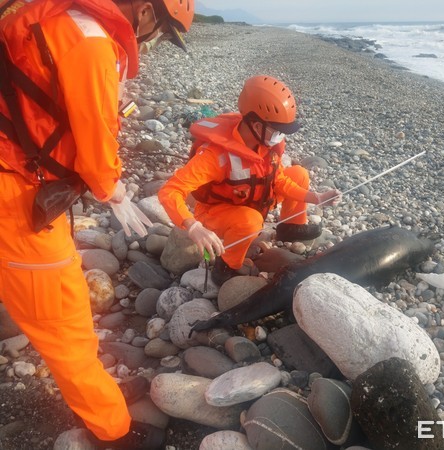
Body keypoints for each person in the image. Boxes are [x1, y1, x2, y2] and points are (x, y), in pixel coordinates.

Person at [0, 0, 193, 448]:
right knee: (62, 318)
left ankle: (97, 392)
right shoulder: (89, 42)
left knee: (63, 302)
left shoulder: (70, 24)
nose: (156, 40)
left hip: (25, 183)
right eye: (163, 30)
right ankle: (111, 429)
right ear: (145, 10)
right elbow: (94, 146)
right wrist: (114, 191)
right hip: (15, 195)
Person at [159, 75, 341, 285]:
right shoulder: (215, 157)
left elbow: (279, 180)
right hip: (218, 213)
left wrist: (315, 198)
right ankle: (228, 265)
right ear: (255, 125)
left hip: (256, 201)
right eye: (277, 130)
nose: (281, 137)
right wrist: (193, 227)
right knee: (250, 220)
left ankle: (292, 226)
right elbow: (169, 191)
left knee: (299, 174)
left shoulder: (267, 144)